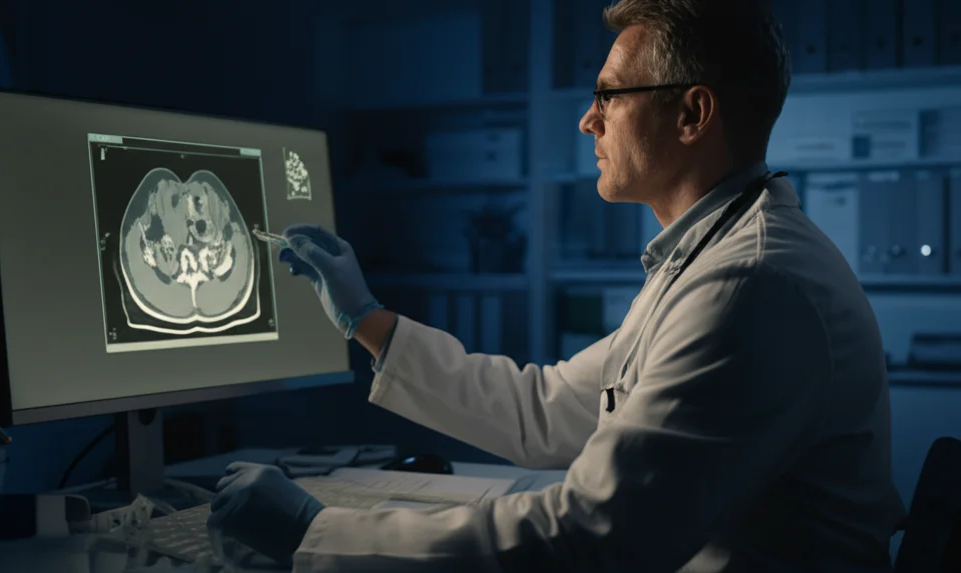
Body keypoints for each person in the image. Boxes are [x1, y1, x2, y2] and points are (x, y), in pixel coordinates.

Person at [208, 1, 907, 571]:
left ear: (692, 114)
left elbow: (593, 537)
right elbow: (543, 409)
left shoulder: (750, 284)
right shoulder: (706, 259)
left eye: (609, 95)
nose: (587, 119)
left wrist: (315, 530)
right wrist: (363, 316)